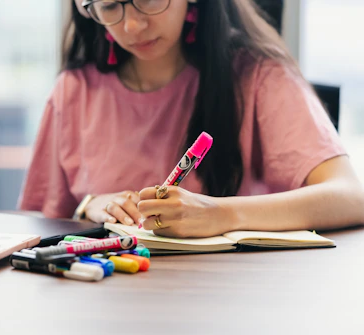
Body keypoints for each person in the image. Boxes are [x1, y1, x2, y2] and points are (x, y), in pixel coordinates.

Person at [19, 0, 364, 238]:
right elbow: (34, 224)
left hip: (230, 300)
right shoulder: (74, 90)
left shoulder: (257, 76)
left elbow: (350, 196)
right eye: (110, 5)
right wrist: (90, 205)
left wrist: (221, 214)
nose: (133, 24)